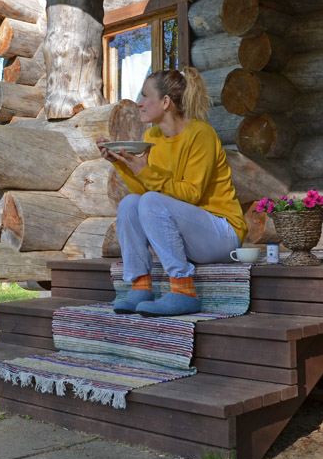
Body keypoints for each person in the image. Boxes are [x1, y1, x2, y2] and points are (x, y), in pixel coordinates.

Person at [97, 67, 248, 317]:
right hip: (188, 234)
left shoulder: (201, 135)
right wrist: (120, 162)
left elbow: (190, 195)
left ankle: (183, 291)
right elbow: (146, 193)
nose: (139, 103)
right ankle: (141, 286)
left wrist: (145, 171)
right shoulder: (153, 136)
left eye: (145, 96)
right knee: (130, 204)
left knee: (150, 201)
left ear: (165, 102)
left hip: (223, 234)